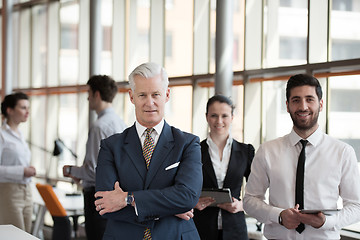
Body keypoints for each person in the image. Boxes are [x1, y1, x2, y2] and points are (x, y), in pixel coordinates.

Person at [94, 62, 203, 240]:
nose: (149, 102)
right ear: (131, 97)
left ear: (166, 95)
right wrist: (169, 209)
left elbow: (187, 197)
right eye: (142, 95)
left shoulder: (188, 144)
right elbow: (104, 205)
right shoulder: (111, 146)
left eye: (156, 94)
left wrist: (127, 199)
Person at [243, 74, 360, 239]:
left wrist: (326, 221)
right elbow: (250, 200)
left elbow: (356, 206)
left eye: (309, 99)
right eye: (296, 100)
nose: (303, 106)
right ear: (288, 105)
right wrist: (279, 215)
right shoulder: (267, 151)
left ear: (320, 104)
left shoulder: (343, 152)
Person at [63, 75, 126, 240]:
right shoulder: (120, 123)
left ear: (97, 94)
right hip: (116, 195)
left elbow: (93, 171)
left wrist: (70, 170)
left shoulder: (99, 126)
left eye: (89, 93)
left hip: (97, 197)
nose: (87, 97)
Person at [193, 95, 255, 240]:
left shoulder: (246, 151)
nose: (219, 121)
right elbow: (183, 186)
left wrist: (241, 205)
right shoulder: (194, 150)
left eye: (224, 116)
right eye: (214, 115)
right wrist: (194, 202)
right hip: (202, 228)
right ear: (207, 117)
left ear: (232, 117)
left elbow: (258, 190)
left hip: (235, 229)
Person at [0, 92, 36, 232]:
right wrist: (22, 171)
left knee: (26, 234)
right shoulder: (2, 135)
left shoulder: (20, 135)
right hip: (9, 192)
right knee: (15, 235)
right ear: (9, 110)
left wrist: (28, 169)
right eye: (23, 108)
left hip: (26, 191)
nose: (27, 112)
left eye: (28, 108)